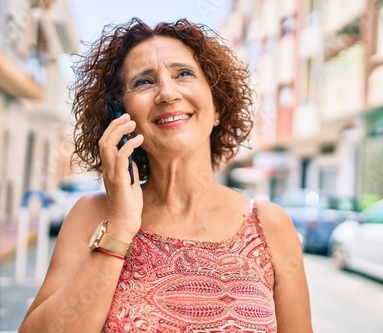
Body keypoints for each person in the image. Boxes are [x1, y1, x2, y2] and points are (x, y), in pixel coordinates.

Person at [19, 17, 312, 333]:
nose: (167, 93)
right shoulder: (93, 215)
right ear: (121, 116)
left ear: (217, 108)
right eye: (144, 81)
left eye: (183, 74)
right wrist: (119, 228)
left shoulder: (270, 225)